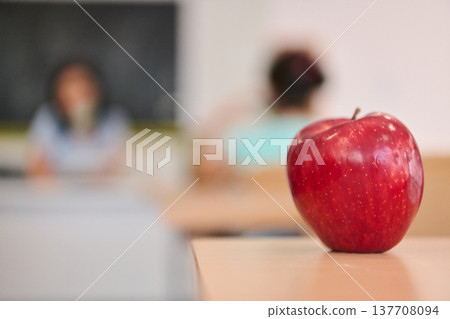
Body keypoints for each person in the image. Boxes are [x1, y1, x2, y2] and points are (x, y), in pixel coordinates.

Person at [197, 49, 325, 182]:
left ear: (272, 89)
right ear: (313, 93)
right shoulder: (324, 139)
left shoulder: (241, 137)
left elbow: (206, 172)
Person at [27, 59, 129, 177]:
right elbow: (37, 168)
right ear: (57, 91)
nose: (80, 89)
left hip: (101, 192)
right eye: (70, 84)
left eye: (85, 82)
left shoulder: (113, 119)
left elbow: (120, 166)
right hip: (59, 192)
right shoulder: (47, 119)